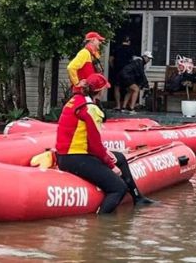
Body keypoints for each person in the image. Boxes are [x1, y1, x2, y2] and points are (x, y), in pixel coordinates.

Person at [56, 73, 155, 214]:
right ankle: (102, 226)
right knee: (118, 188)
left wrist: (108, 156)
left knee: (119, 157)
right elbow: (94, 145)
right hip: (76, 158)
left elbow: (89, 142)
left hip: (68, 155)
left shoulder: (75, 100)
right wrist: (110, 165)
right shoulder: (90, 109)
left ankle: (138, 197)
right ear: (100, 91)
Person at [109, 36, 134, 110]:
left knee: (117, 87)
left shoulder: (116, 48)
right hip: (127, 71)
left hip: (117, 70)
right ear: (129, 42)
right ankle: (125, 105)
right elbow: (132, 61)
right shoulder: (131, 50)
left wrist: (113, 67)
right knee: (130, 88)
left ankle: (118, 105)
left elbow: (110, 60)